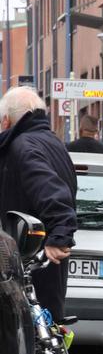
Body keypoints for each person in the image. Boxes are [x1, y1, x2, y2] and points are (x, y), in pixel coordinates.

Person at [0, 87, 77, 322]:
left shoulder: (23, 148)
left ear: (6, 121)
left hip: (27, 260)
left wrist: (60, 235)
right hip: (44, 263)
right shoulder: (52, 142)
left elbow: (52, 191)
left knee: (23, 343)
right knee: (45, 332)